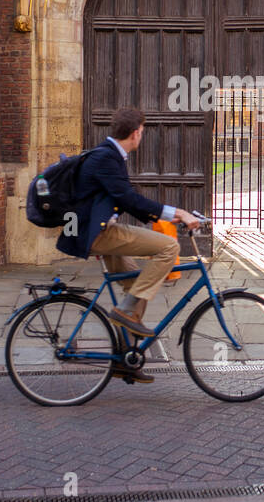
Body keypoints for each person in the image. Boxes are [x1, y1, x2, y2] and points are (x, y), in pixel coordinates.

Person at [56, 106, 201, 339]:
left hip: (95, 231)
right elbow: (129, 199)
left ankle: (127, 356)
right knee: (169, 247)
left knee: (135, 284)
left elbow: (123, 200)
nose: (141, 136)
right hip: (98, 234)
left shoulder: (109, 155)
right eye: (142, 131)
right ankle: (125, 312)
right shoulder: (106, 158)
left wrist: (165, 215)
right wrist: (179, 212)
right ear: (136, 133)